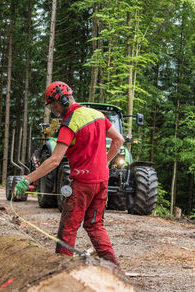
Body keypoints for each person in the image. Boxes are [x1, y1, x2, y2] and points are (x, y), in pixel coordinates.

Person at [15, 81, 124, 267]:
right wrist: (103, 164)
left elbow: (54, 160)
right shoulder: (97, 115)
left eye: (54, 105)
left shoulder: (70, 123)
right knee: (95, 225)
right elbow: (118, 139)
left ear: (62, 99)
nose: (54, 110)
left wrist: (28, 178)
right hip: (102, 180)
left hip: (83, 183)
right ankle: (114, 269)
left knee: (68, 228)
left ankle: (62, 269)